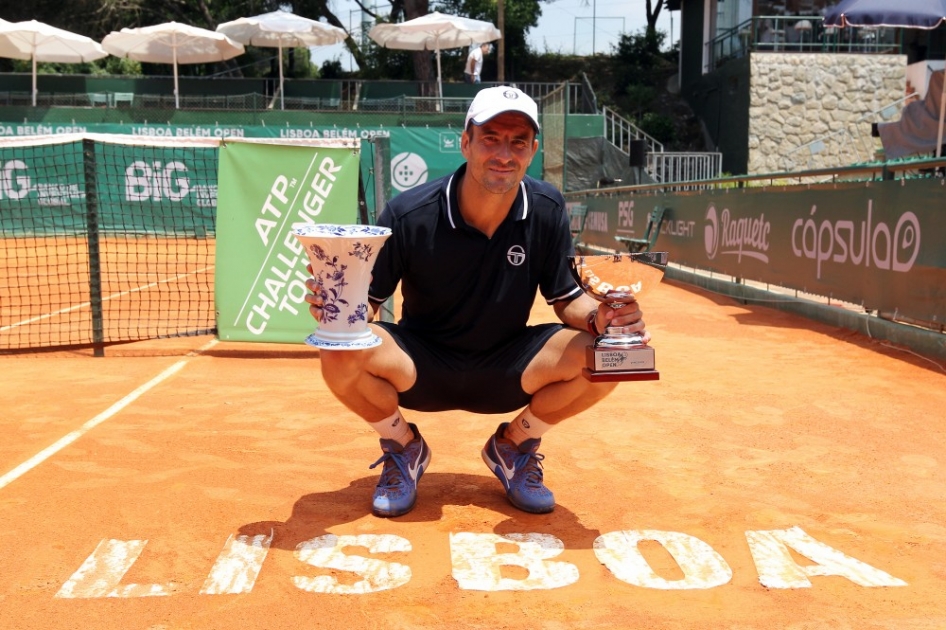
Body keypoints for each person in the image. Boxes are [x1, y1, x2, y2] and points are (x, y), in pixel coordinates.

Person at [305, 86, 648, 518]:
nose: (504, 153)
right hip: (421, 364)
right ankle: (403, 446)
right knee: (339, 349)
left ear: (532, 151)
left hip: (509, 364)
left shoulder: (546, 207)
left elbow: (565, 298)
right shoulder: (409, 213)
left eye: (518, 141)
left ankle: (514, 446)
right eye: (491, 138)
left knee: (615, 356)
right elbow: (368, 304)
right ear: (466, 142)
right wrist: (335, 309)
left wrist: (605, 319)